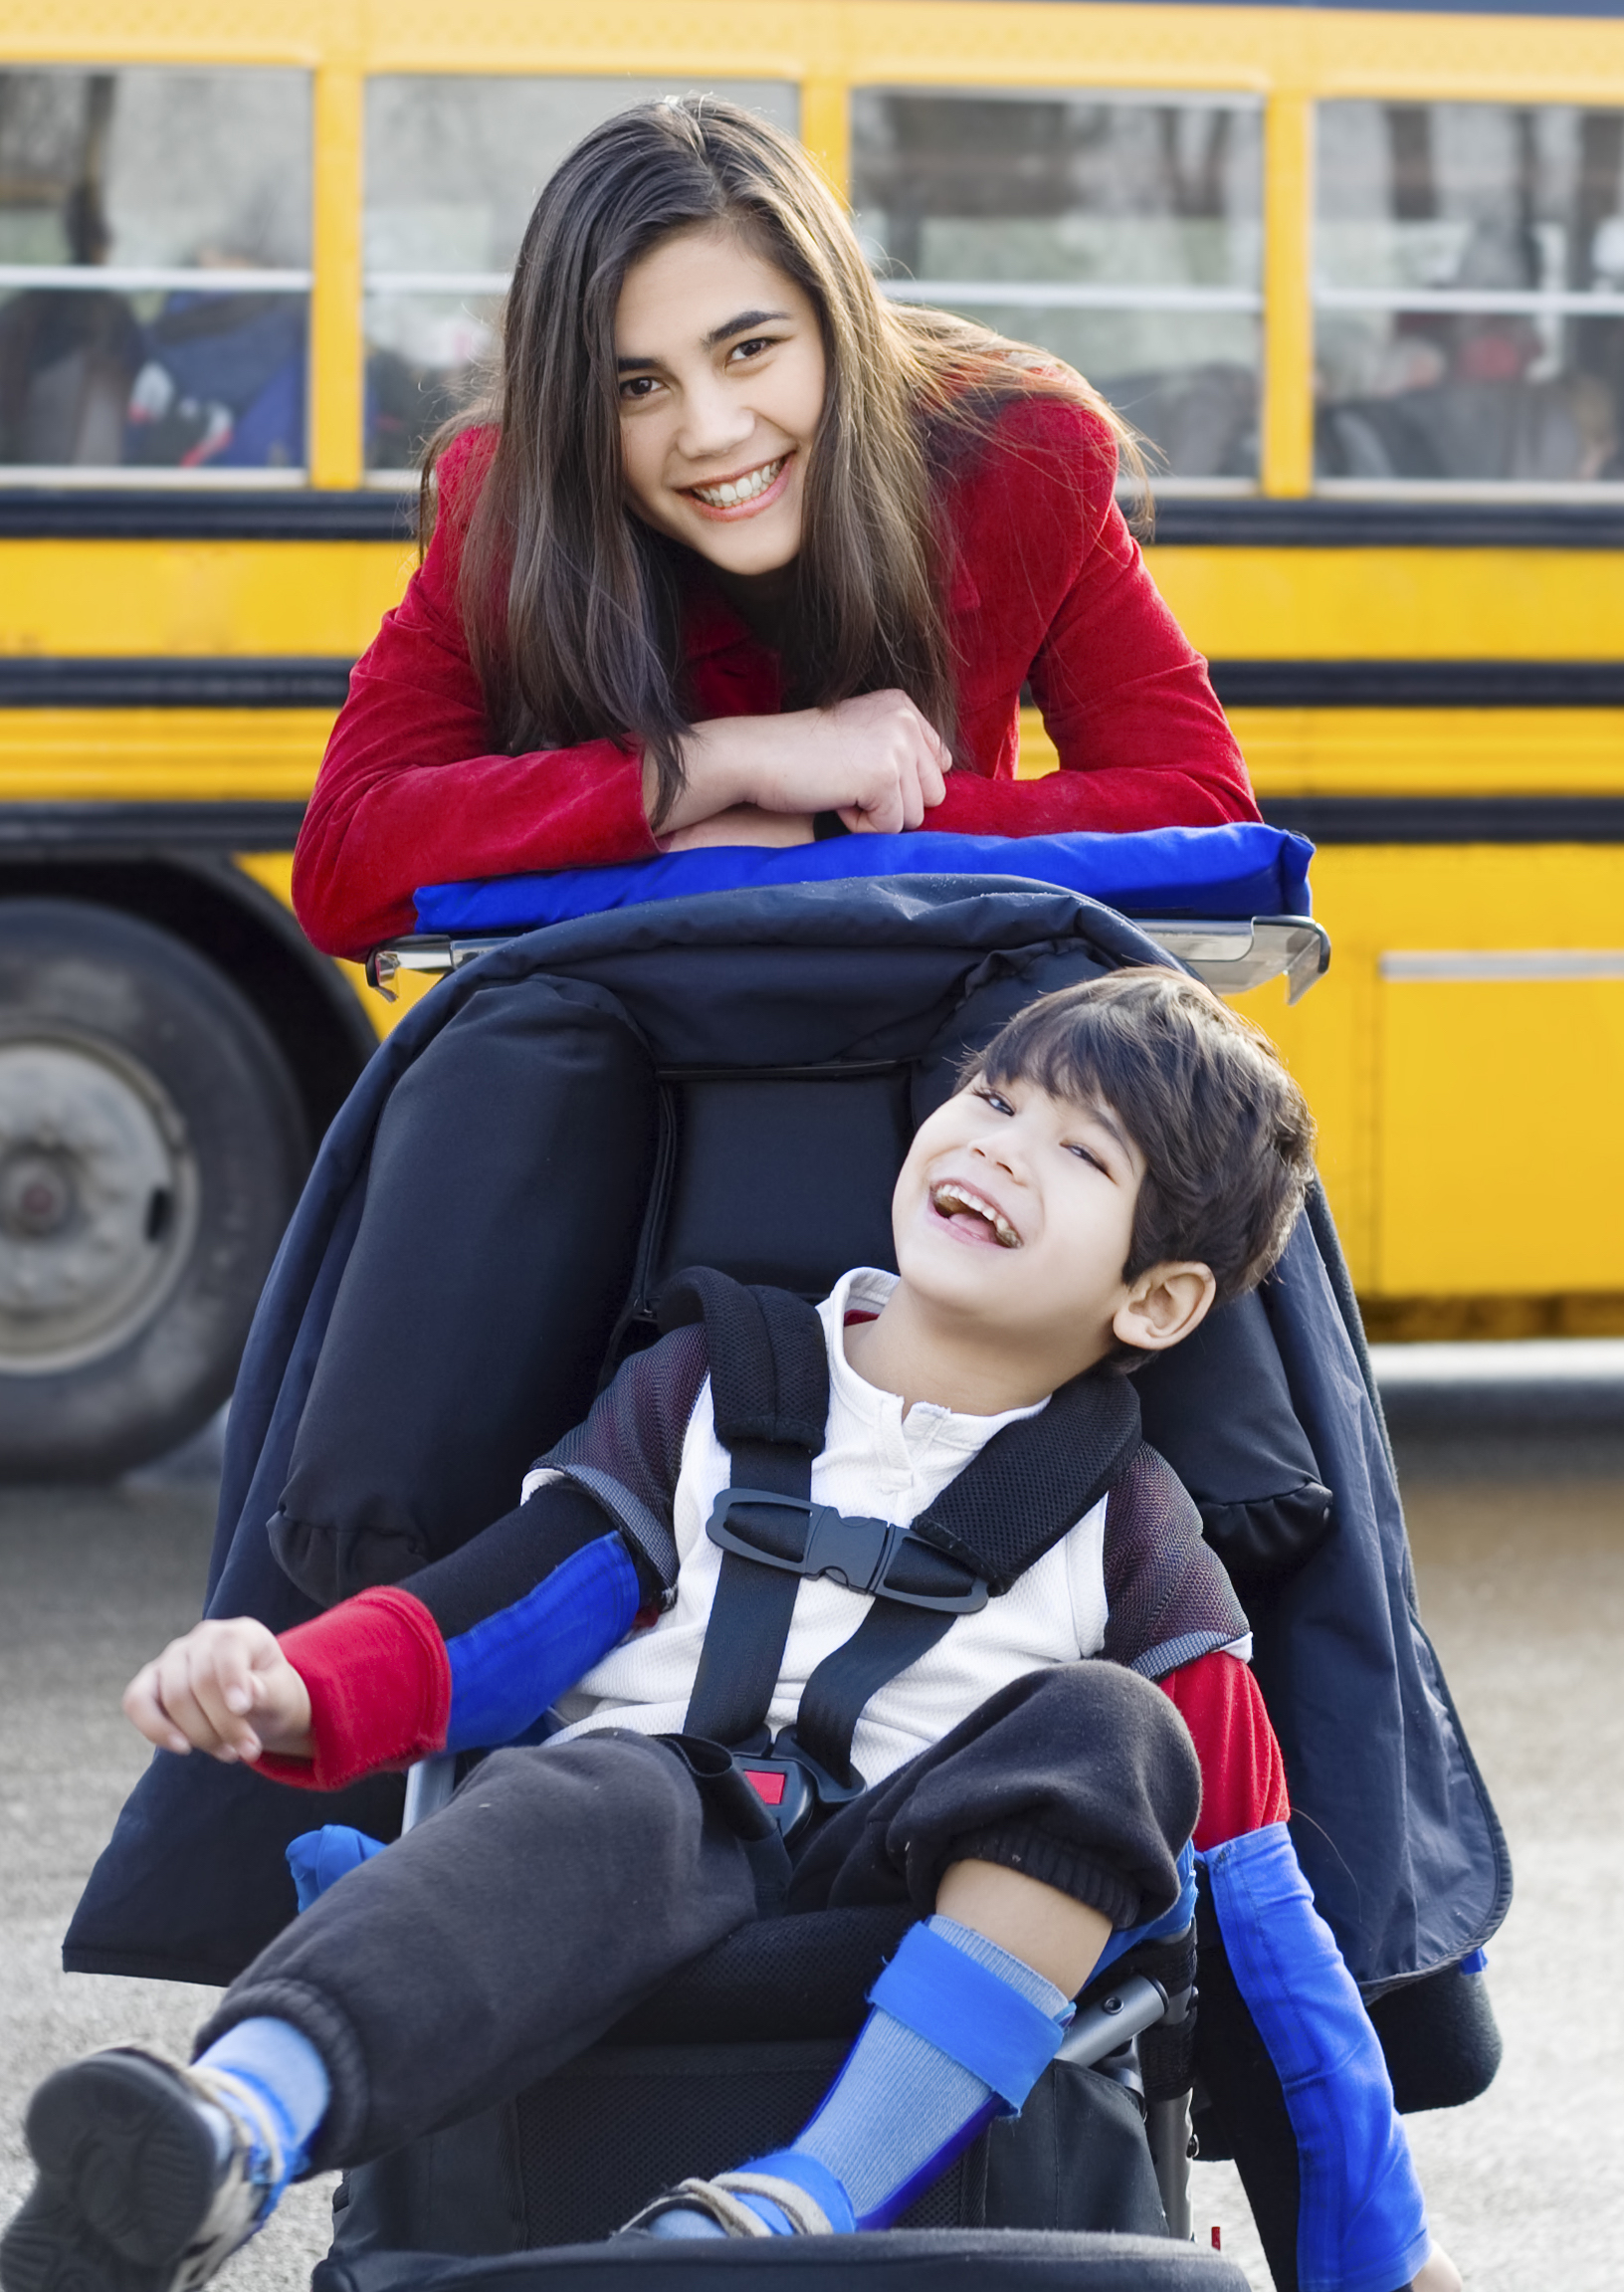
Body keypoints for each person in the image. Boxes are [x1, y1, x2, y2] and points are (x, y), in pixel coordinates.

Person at [3, 972, 1456, 2292]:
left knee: (1116, 1731)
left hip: (930, 1909)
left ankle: (800, 2200)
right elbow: (489, 1618)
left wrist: (1380, 2265)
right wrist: (291, 1682)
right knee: (605, 1776)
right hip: (629, 1862)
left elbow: (1270, 1936)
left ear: (1158, 1296)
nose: (999, 1143)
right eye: (993, 1097)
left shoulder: (1133, 1532)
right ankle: (229, 2124)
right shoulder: (708, 1388)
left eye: (1080, 1151)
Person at [291, 99, 1259, 960]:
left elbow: (1203, 816)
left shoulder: (1016, 459)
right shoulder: (515, 501)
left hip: (939, 1046)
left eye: (750, 349)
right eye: (637, 386)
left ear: (838, 327)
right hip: (628, 1053)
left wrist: (820, 831)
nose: (711, 431)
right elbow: (345, 864)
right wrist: (718, 765)